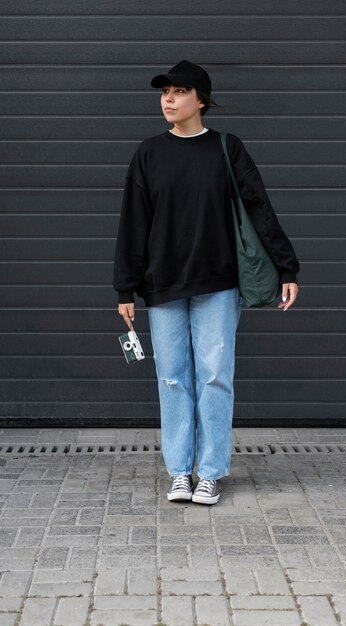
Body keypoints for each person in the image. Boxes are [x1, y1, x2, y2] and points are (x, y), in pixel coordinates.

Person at [113, 60, 300, 505]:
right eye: (165, 92)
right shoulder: (148, 154)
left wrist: (286, 267)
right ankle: (180, 471)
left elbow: (259, 208)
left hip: (218, 283)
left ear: (201, 100)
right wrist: (125, 288)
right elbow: (133, 224)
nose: (168, 99)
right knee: (172, 379)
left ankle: (211, 472)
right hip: (163, 286)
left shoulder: (227, 149)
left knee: (216, 377)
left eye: (178, 92)